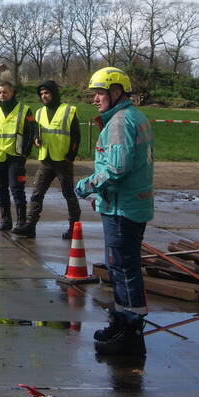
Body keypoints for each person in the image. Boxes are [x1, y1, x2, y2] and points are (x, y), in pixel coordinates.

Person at [74, 67, 154, 356]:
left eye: (99, 92)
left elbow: (117, 167)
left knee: (123, 269)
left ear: (116, 92)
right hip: (129, 204)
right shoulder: (135, 116)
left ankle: (130, 329)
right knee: (124, 267)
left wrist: (86, 185)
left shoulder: (120, 122)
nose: (95, 99)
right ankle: (123, 321)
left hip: (122, 209)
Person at [13, 80, 80, 240]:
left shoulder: (68, 111)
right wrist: (36, 138)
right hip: (46, 159)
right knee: (37, 193)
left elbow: (76, 136)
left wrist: (71, 155)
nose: (44, 96)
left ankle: (74, 227)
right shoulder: (40, 112)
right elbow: (38, 131)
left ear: (54, 93)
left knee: (68, 194)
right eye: (41, 94)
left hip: (63, 160)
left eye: (47, 93)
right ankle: (30, 226)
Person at [0, 80, 34, 232]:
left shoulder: (24, 110)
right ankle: (6, 220)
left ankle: (21, 222)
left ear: (12, 93)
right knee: (1, 190)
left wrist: (24, 155)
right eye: (0, 92)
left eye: (5, 92)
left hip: (15, 158)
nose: (2, 95)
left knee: (17, 190)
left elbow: (30, 133)